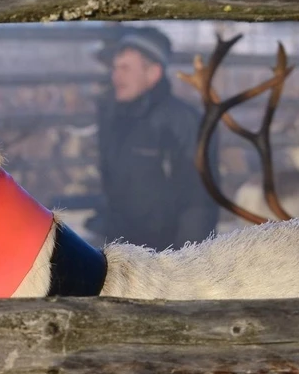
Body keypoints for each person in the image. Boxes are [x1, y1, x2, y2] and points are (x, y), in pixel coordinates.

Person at [86, 26, 219, 250]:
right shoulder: (113, 118)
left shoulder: (184, 122)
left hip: (168, 253)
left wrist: (187, 262)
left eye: (126, 68)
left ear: (153, 73)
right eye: (115, 68)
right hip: (123, 249)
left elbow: (199, 201)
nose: (116, 76)